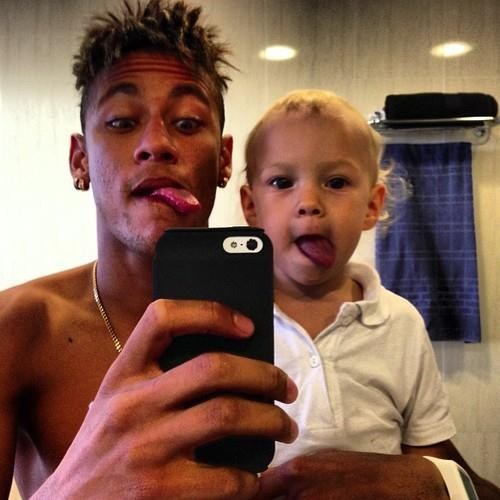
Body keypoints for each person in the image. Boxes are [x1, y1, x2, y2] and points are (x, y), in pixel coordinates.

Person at [0, 0, 489, 497]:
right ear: (80, 159)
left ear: (223, 160)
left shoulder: (287, 320)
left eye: (187, 123)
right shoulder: (16, 326)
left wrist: (430, 482)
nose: (156, 143)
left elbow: (459, 477)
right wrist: (74, 489)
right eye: (122, 121)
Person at [240, 89, 500, 499]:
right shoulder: (231, 320)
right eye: (282, 182)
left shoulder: (400, 321)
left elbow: (427, 460)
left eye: (336, 182)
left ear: (372, 205)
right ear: (251, 206)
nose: (309, 203)